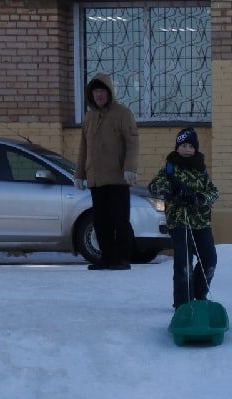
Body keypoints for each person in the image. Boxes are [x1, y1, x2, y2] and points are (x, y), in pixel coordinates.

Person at [147, 128, 219, 310]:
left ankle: (199, 294)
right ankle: (182, 303)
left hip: (201, 223)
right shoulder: (170, 168)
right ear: (177, 148)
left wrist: (199, 198)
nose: (187, 149)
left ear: (195, 149)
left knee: (209, 260)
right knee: (184, 262)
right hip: (179, 222)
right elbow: (154, 186)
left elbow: (213, 192)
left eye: (190, 146)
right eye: (183, 146)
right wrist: (173, 190)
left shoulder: (201, 170)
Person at [74, 74, 139, 271]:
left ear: (109, 92)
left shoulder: (123, 113)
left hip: (118, 177)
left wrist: (130, 169)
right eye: (95, 91)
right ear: (90, 94)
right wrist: (79, 173)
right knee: (101, 221)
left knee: (119, 220)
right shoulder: (89, 116)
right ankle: (106, 257)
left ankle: (121, 258)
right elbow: (84, 147)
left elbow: (132, 143)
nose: (99, 95)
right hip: (96, 178)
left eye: (102, 91)